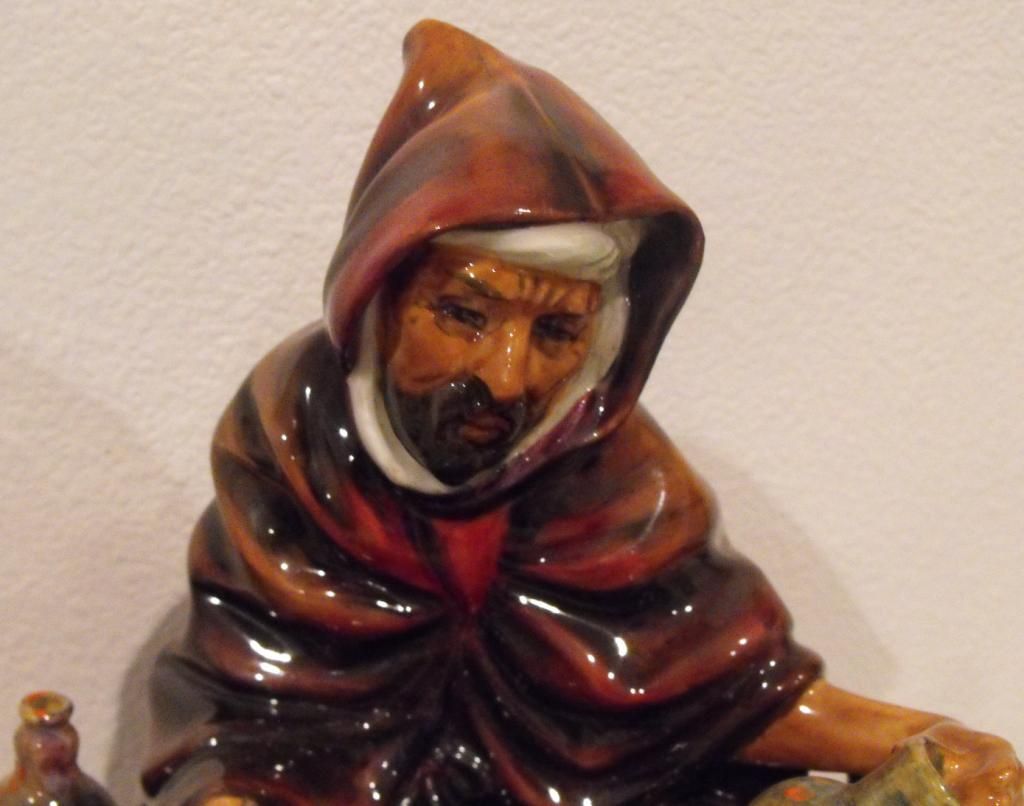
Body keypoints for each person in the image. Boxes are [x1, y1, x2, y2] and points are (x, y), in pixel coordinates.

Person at [144, 20, 1022, 806]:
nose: (507, 379)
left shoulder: (615, 475)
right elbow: (247, 716)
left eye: (559, 332)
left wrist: (930, 741)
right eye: (465, 314)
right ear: (380, 295)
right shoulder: (293, 440)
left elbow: (724, 699)